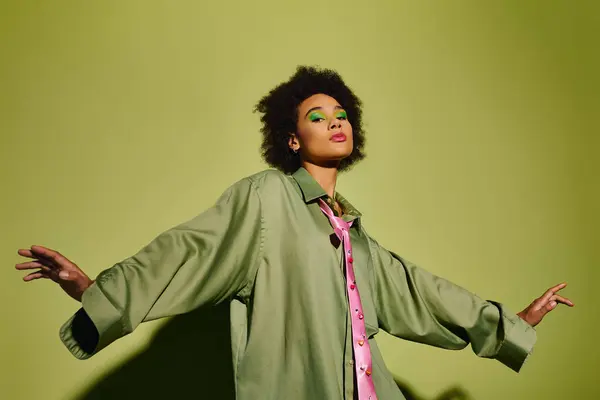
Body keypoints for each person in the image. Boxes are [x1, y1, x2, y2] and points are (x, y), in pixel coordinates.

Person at [16, 66, 573, 400]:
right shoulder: (266, 199)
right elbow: (191, 250)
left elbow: (420, 293)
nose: (336, 120)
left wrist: (510, 325)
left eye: (341, 112)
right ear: (290, 139)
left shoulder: (353, 234)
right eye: (316, 115)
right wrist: (98, 291)